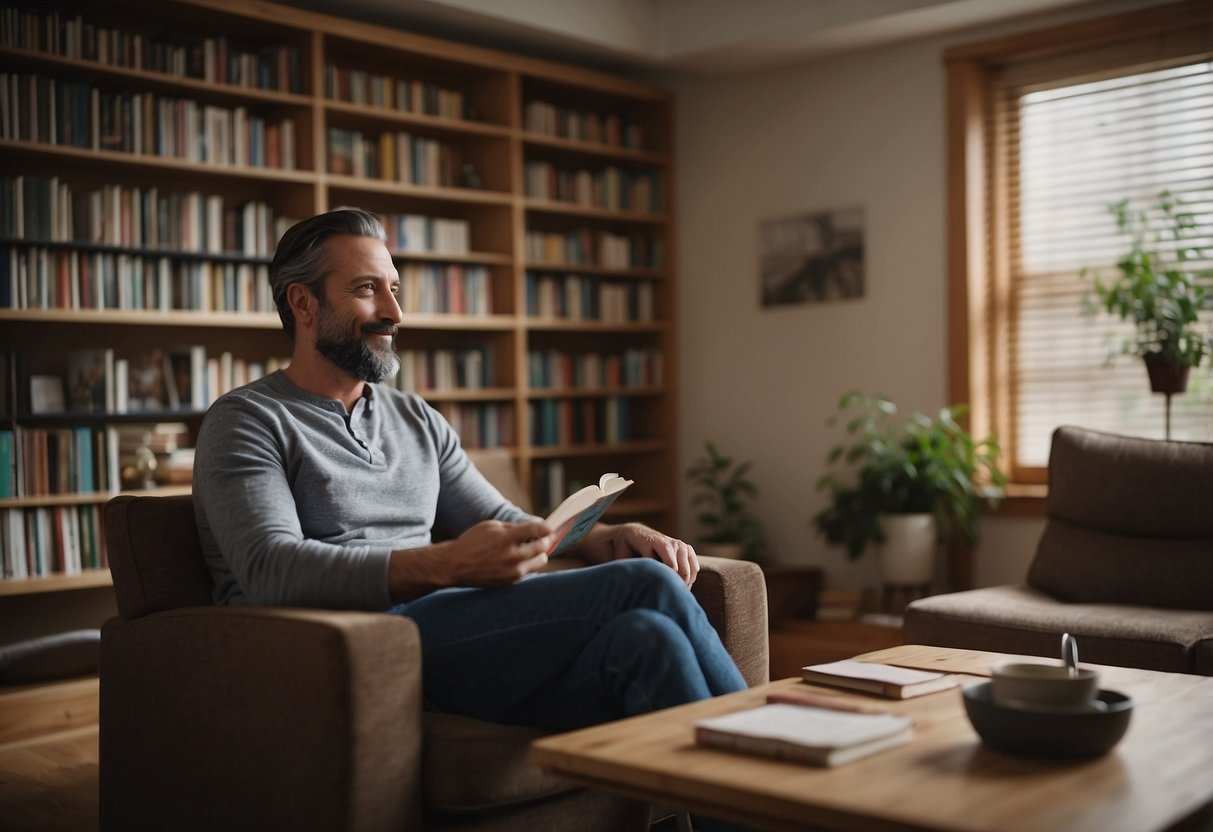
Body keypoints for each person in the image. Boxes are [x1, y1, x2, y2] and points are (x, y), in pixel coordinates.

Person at [192, 208, 747, 732]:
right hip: (360, 642)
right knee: (642, 585)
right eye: (367, 289)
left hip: (455, 630)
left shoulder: (414, 417)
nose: (394, 312)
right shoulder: (247, 420)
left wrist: (605, 538)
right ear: (303, 304)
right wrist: (448, 563)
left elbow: (503, 518)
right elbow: (271, 569)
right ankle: (777, 755)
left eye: (394, 289)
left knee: (648, 639)